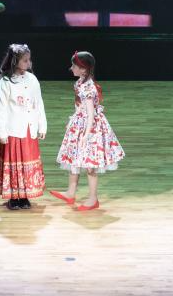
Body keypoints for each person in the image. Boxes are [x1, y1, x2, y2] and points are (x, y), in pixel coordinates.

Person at [51, 51, 125, 211]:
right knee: (74, 158)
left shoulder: (88, 87)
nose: (71, 68)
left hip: (90, 128)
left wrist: (86, 133)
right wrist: (72, 119)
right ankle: (70, 192)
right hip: (79, 125)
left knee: (90, 164)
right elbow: (80, 106)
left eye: (74, 66)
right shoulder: (79, 83)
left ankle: (93, 198)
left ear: (83, 69)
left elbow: (91, 113)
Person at [0, 44, 46, 211]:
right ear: (15, 61)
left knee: (26, 162)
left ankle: (24, 196)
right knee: (14, 163)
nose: (28, 63)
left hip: (29, 130)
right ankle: (14, 196)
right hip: (14, 130)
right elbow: (1, 108)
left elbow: (39, 103)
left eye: (29, 60)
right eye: (25, 60)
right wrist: (2, 131)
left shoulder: (32, 79)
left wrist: (42, 126)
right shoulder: (6, 81)